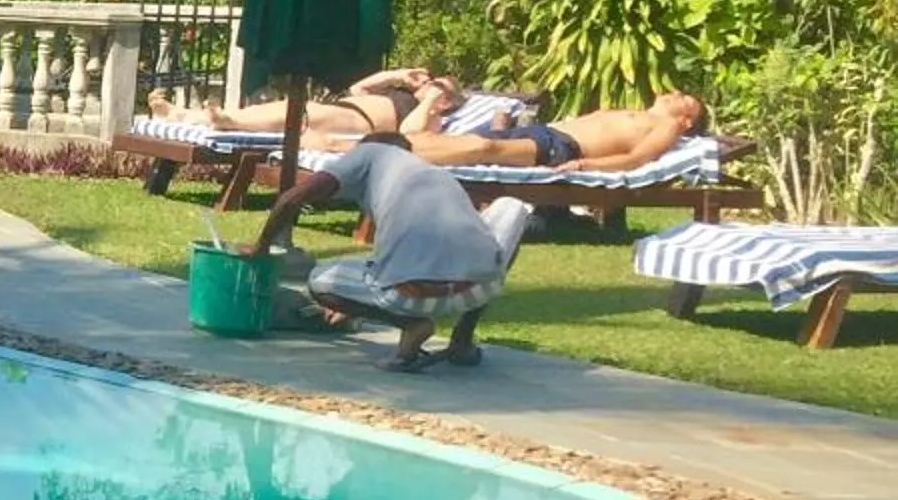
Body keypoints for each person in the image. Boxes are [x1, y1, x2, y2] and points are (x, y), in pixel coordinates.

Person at [248, 132, 535, 371]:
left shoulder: (370, 152)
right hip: (482, 286)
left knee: (319, 280)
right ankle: (462, 340)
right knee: (511, 208)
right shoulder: (432, 175)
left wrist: (261, 246)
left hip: (413, 296)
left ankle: (411, 326)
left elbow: (292, 198)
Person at [404, 92, 708, 174]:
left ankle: (394, 152)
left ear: (686, 122)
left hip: (561, 147)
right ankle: (389, 147)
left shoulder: (667, 126)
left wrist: (585, 165)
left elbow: (636, 158)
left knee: (482, 148)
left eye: (685, 100)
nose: (676, 93)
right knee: (463, 143)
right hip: (546, 134)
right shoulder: (643, 116)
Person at [188, 66, 448, 140]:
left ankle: (228, 121)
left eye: (436, 84)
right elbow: (360, 88)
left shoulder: (432, 116)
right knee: (282, 110)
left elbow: (410, 134)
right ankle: (186, 116)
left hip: (356, 123)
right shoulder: (400, 94)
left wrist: (433, 99)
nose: (427, 84)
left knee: (293, 114)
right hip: (343, 109)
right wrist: (398, 75)